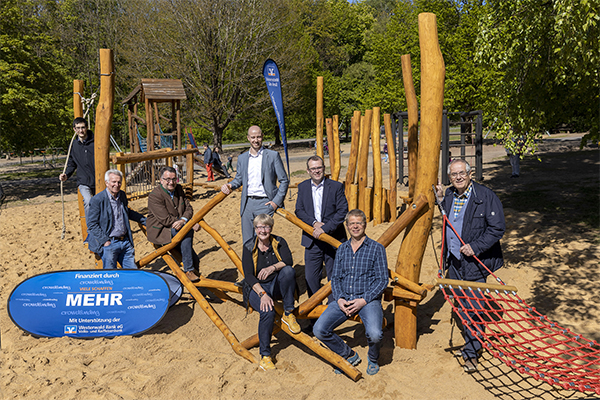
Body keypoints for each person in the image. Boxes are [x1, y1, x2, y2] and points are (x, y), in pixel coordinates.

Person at [435, 159, 505, 373]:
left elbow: (497, 228)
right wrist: (439, 199)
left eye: (462, 173)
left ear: (470, 173)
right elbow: (448, 218)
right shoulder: (448, 195)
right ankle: (470, 343)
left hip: (475, 262)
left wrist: (476, 246)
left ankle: (472, 353)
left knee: (474, 309)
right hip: (454, 262)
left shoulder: (485, 196)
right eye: (454, 174)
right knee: (462, 307)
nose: (458, 177)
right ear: (449, 177)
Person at [313, 209, 388, 376]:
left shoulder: (377, 249)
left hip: (368, 300)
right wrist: (339, 299)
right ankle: (349, 354)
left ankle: (373, 358)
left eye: (359, 223)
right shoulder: (342, 249)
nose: (355, 226)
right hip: (344, 298)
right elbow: (336, 278)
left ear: (365, 225)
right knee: (319, 330)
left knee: (375, 334)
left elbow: (382, 280)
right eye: (352, 223)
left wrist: (364, 300)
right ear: (347, 226)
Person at [242, 214, 300, 371]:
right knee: (267, 311)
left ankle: (288, 313)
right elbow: (248, 275)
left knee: (288, 271)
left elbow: (289, 261)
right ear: (255, 230)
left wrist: (272, 267)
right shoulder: (248, 246)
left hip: (276, 285)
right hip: (257, 288)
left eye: (266, 226)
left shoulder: (279, 242)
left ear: (271, 228)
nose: (263, 230)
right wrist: (262, 294)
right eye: (259, 227)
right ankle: (265, 355)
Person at [220, 125, 289, 244]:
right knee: (247, 241)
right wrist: (230, 185)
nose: (255, 140)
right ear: (248, 138)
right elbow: (239, 179)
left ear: (262, 137)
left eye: (258, 137)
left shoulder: (273, 156)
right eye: (253, 137)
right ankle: (249, 263)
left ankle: (264, 263)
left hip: (266, 203)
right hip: (247, 204)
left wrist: (275, 202)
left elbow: (284, 180)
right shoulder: (242, 158)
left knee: (263, 241)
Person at [295, 156, 348, 300]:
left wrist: (325, 228)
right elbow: (299, 210)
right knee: (311, 277)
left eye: (319, 167)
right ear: (308, 170)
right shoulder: (303, 187)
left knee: (333, 277)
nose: (316, 171)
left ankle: (332, 311)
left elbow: (342, 211)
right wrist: (313, 223)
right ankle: (314, 312)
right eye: (313, 168)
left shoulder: (336, 186)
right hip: (311, 239)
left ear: (324, 168)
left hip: (333, 237)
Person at [147, 166, 201, 282]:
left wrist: (183, 220)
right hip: (161, 229)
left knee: (195, 259)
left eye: (174, 179)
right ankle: (188, 270)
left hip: (178, 226)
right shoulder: (155, 195)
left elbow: (189, 209)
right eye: (167, 179)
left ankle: (195, 287)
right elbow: (165, 219)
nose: (171, 182)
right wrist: (188, 224)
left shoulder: (179, 189)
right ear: (161, 180)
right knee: (187, 231)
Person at [87, 169, 146, 269]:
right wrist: (105, 241)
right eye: (113, 182)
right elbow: (92, 224)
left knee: (132, 272)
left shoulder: (121, 195)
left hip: (125, 241)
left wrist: (145, 221)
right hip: (109, 241)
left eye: (119, 182)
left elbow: (128, 213)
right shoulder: (97, 200)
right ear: (107, 183)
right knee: (111, 275)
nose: (117, 184)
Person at [59, 117, 95, 216]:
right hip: (83, 180)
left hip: (97, 179)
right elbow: (71, 163)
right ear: (74, 129)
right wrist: (66, 174)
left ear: (87, 127)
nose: (81, 130)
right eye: (78, 128)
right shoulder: (73, 145)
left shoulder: (96, 142)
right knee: (88, 201)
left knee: (100, 204)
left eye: (83, 127)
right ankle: (91, 229)